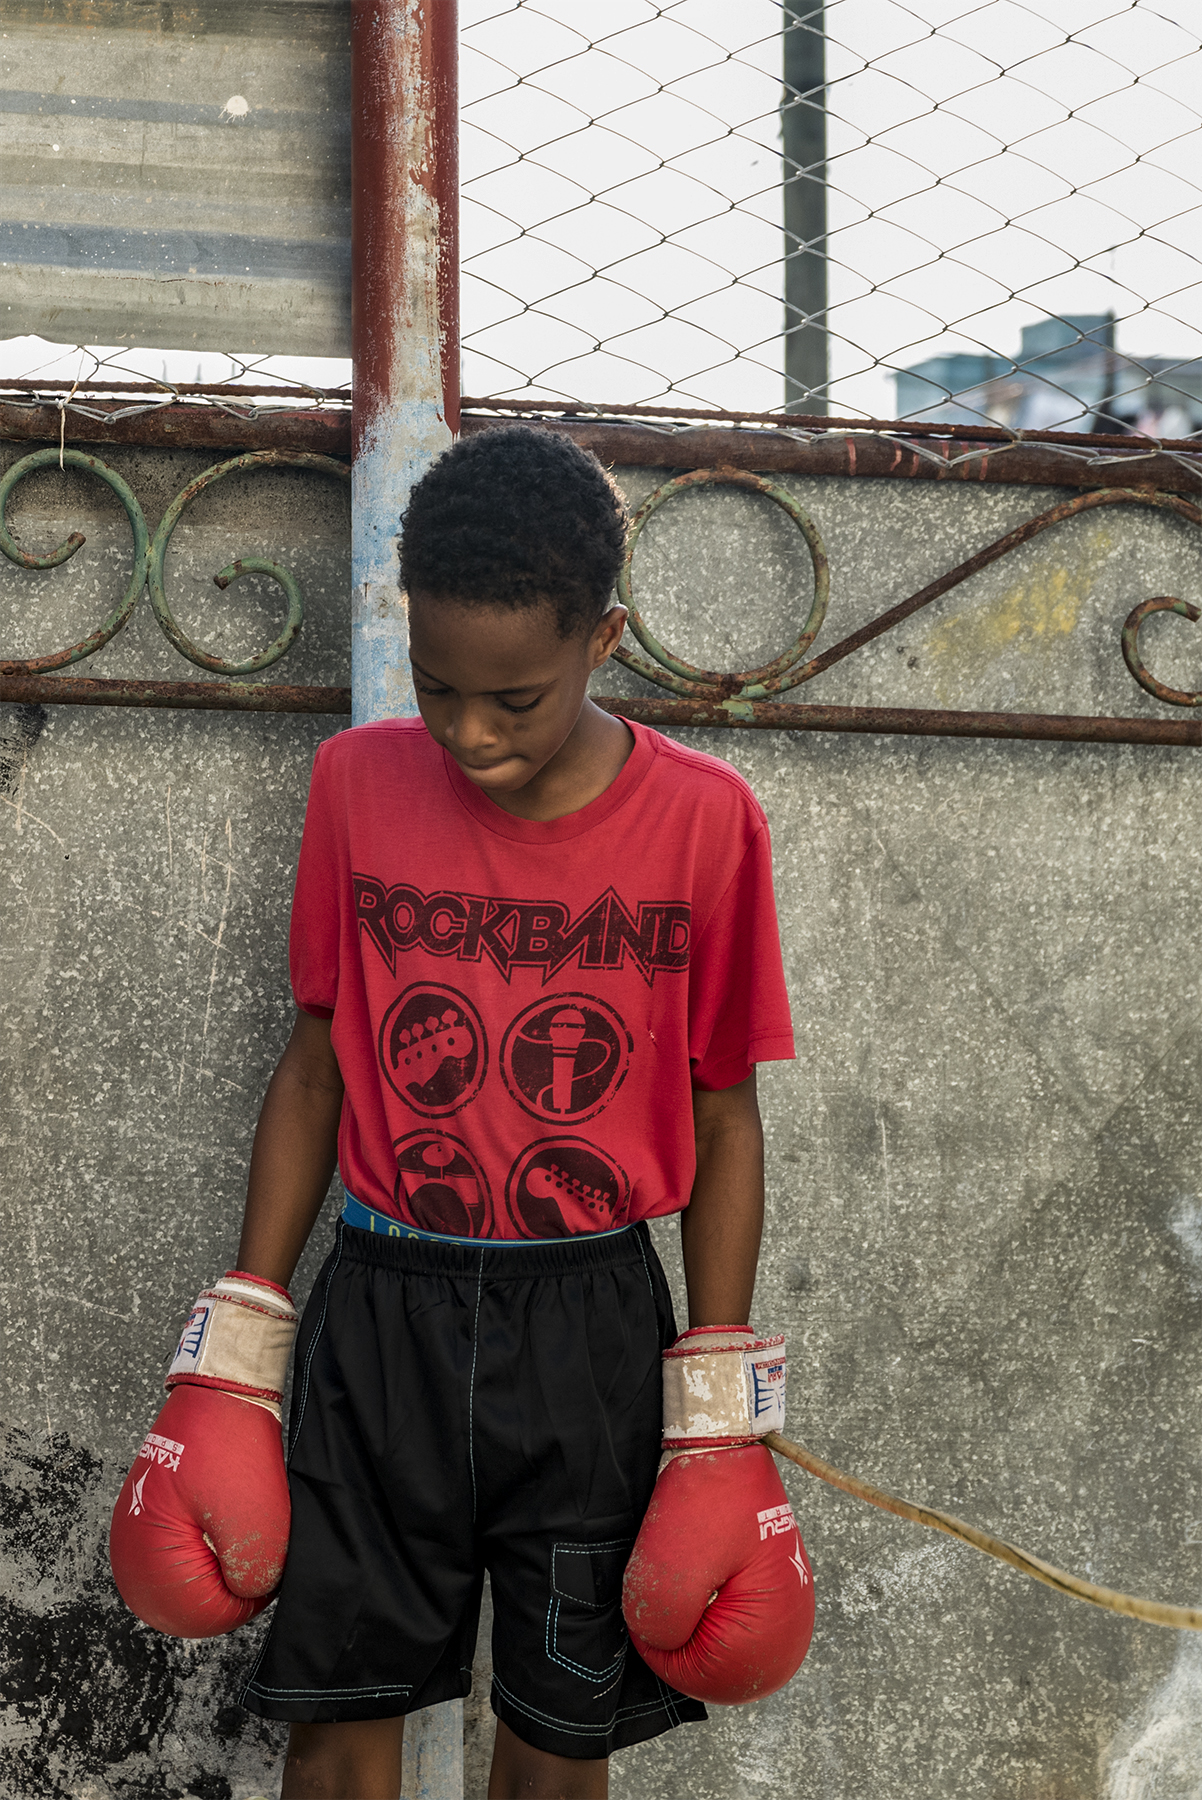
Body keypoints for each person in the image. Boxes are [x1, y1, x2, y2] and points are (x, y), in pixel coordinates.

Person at [109, 425, 812, 1800]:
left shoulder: (707, 822)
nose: (470, 733)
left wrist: (717, 1411)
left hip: (591, 1331)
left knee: (558, 1746)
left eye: (515, 699)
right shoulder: (356, 787)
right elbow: (316, 1062)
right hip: (383, 1315)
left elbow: (723, 1114)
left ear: (602, 638)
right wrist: (237, 1337)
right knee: (338, 1731)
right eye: (438, 689)